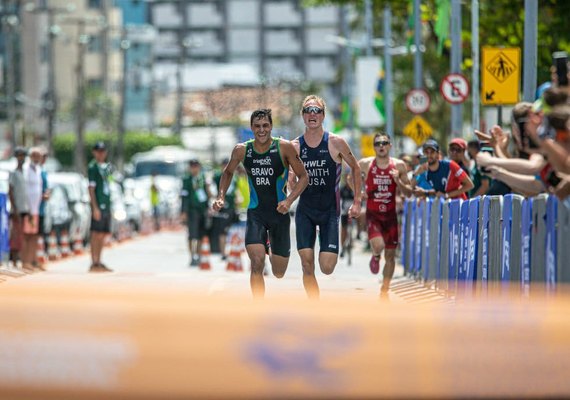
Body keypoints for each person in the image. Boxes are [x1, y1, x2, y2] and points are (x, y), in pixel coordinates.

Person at [213, 109, 308, 298]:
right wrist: (221, 196)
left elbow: (304, 177)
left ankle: (270, 245)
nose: (261, 130)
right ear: (252, 128)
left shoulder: (284, 147)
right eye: (257, 126)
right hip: (256, 214)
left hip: (279, 215)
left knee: (279, 272)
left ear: (271, 126)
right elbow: (228, 172)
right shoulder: (242, 150)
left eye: (265, 126)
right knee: (256, 263)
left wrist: (289, 201)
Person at [289, 95, 362, 299]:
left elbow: (355, 168)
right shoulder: (295, 146)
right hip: (306, 210)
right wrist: (291, 182)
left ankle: (324, 240)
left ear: (323, 115)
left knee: (327, 267)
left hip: (330, 210)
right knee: (306, 263)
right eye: (308, 110)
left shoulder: (336, 142)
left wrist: (357, 202)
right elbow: (291, 176)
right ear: (302, 115)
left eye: (317, 111)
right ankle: (314, 304)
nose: (312, 114)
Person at [358, 133, 413, 298]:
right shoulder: (366, 164)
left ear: (390, 145)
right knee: (379, 246)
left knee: (390, 255)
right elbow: (350, 176)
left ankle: (385, 289)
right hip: (373, 215)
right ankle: (375, 256)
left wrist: (398, 181)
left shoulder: (399, 166)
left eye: (384, 143)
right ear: (374, 147)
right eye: (377, 143)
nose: (381, 146)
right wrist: (360, 191)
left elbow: (409, 193)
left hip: (390, 217)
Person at [180, 159, 212, 267]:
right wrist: (183, 212)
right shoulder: (186, 180)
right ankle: (191, 256)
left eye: (196, 166)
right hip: (191, 211)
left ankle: (198, 256)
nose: (194, 169)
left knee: (200, 235)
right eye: (192, 166)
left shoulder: (203, 179)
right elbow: (184, 197)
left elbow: (208, 195)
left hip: (202, 210)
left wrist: (208, 208)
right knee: (191, 236)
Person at [87, 141, 113, 273]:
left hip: (106, 204)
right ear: (94, 152)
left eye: (103, 151)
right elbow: (91, 188)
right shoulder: (93, 167)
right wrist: (95, 207)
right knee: (95, 233)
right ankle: (94, 262)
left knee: (102, 234)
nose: (101, 154)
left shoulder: (106, 167)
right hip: (98, 205)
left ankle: (99, 260)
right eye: (99, 151)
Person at [212, 158, 238, 259]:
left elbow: (235, 191)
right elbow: (211, 187)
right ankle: (223, 253)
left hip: (232, 206)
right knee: (222, 230)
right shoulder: (218, 176)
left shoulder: (235, 177)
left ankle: (233, 251)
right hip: (222, 206)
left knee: (232, 230)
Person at [8, 147, 28, 270]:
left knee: (24, 235)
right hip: (17, 210)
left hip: (25, 208)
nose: (21, 158)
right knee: (15, 235)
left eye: (23, 156)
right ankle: (14, 260)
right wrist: (14, 208)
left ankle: (23, 259)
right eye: (19, 156)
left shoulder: (25, 173)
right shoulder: (14, 173)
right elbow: (10, 191)